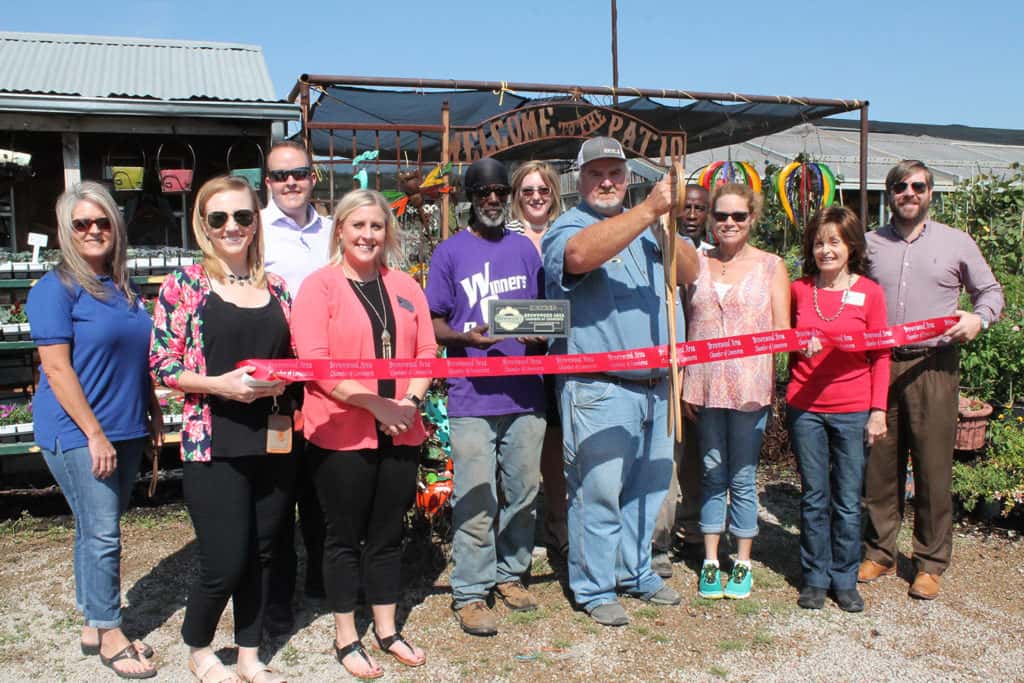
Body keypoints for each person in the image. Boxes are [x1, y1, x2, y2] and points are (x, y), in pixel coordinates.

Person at [543, 137, 698, 627]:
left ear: (628, 177)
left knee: (649, 489)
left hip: (655, 385)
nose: (607, 182)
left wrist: (668, 224)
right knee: (598, 490)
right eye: (596, 174)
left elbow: (693, 272)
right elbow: (579, 257)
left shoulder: (652, 226)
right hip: (599, 386)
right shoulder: (571, 225)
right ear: (580, 179)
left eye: (615, 173)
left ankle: (635, 572)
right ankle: (594, 585)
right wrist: (649, 209)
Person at [150, 175, 296, 683]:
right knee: (225, 557)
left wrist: (285, 380)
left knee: (262, 552)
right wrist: (220, 385)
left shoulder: (277, 287)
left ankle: (251, 654)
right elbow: (162, 365)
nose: (232, 226)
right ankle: (198, 645)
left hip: (274, 439)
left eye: (243, 216)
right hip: (213, 440)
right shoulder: (185, 284)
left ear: (257, 222)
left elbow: (294, 360)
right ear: (204, 226)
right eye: (220, 218)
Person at [291, 189, 434, 678]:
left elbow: (427, 354)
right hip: (342, 435)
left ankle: (387, 628)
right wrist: (376, 405)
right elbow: (316, 363)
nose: (368, 235)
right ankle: (346, 635)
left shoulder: (406, 286)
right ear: (341, 231)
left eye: (376, 227)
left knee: (387, 535)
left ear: (387, 233)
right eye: (358, 226)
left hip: (401, 430)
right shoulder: (320, 287)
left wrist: (409, 405)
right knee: (344, 538)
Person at [27, 181, 160, 680]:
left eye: (102, 221)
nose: (94, 230)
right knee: (104, 533)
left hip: (125, 428)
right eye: (82, 223)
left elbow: (136, 359)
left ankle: (92, 621)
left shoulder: (122, 289)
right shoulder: (53, 291)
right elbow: (57, 372)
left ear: (116, 227)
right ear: (66, 231)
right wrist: (95, 435)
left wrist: (150, 413)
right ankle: (109, 633)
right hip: (78, 432)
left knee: (94, 527)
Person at [859, 160, 1003, 600]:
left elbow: (991, 292)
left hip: (934, 364)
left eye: (917, 186)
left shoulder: (956, 242)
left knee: (932, 464)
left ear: (929, 193)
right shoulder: (868, 244)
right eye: (900, 186)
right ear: (889, 194)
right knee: (879, 463)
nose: (908, 192)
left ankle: (930, 562)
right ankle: (880, 551)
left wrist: (979, 320)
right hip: (879, 362)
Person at [426, 157, 547, 636]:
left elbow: (540, 314)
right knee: (476, 498)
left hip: (525, 394)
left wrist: (541, 333)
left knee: (523, 494)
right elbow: (433, 322)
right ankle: (471, 592)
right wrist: (463, 337)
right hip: (472, 394)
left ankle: (511, 573)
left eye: (500, 192)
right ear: (469, 200)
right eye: (484, 194)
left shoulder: (525, 251)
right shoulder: (449, 253)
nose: (493, 200)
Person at [682, 182, 790, 601]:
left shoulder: (771, 266)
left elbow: (781, 331)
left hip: (749, 388)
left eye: (738, 217)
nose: (728, 223)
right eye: (721, 215)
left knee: (742, 478)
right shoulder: (697, 262)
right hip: (703, 388)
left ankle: (741, 560)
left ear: (752, 219)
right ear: (710, 218)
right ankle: (711, 560)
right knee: (710, 475)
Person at [787, 206, 890, 612]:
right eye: (818, 243)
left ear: (851, 246)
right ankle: (814, 577)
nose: (825, 250)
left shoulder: (871, 293)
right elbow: (782, 340)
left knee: (847, 499)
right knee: (814, 496)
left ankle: (844, 578)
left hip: (852, 408)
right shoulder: (798, 289)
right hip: (806, 407)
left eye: (834, 242)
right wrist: (795, 342)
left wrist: (877, 410)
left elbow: (881, 355)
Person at [261, 140, 331, 630]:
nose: (291, 182)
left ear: (313, 176)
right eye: (281, 175)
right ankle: (277, 598)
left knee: (325, 484)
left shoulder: (333, 232)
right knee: (278, 494)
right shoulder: (252, 230)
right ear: (267, 181)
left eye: (299, 173)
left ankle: (324, 582)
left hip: (329, 379)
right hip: (277, 383)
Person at [508, 161, 570, 568]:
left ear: (553, 194)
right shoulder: (505, 238)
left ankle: (559, 528)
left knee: (558, 445)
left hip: (562, 353)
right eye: (527, 190)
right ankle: (515, 535)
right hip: (516, 354)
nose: (535, 197)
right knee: (518, 451)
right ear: (517, 197)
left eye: (542, 190)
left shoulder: (567, 235)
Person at [652, 183, 711, 578]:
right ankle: (660, 537)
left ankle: (695, 529)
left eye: (699, 208)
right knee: (669, 455)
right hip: (670, 366)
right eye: (684, 207)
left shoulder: (715, 256)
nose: (691, 214)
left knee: (700, 457)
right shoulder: (659, 248)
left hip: (708, 372)